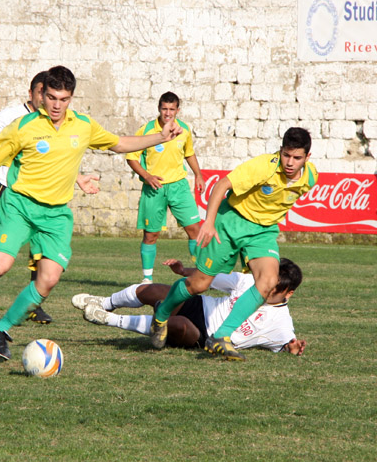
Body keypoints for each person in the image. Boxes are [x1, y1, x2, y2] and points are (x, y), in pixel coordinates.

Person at [0, 65, 183, 360]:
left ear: (71, 98)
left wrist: (161, 137)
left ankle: (0, 330)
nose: (56, 105)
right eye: (51, 97)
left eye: (63, 99)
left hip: (55, 216)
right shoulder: (23, 126)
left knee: (48, 280)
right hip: (20, 207)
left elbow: (120, 143)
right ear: (43, 95)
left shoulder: (83, 126)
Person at [150, 127, 317, 360]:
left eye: (297, 157)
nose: (289, 162)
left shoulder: (310, 177)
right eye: (286, 155)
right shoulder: (263, 166)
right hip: (231, 223)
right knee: (199, 284)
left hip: (263, 232)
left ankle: (221, 336)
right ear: (281, 151)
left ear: (307, 158)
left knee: (268, 281)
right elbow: (221, 186)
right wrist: (209, 222)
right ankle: (162, 314)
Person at [0, 71, 98, 326]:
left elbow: (55, 159)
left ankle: (32, 306)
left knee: (39, 255)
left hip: (39, 198)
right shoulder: (14, 117)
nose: (50, 100)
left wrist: (79, 178)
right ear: (33, 93)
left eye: (55, 96)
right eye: (44, 93)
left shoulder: (57, 123)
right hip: (6, 189)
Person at [72, 258, 306, 358]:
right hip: (199, 305)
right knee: (153, 291)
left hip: (203, 334)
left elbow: (287, 345)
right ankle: (104, 303)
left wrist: (292, 348)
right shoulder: (249, 281)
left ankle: (107, 319)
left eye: (273, 289)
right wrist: (184, 272)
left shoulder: (282, 322)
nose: (264, 289)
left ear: (289, 293)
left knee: (177, 325)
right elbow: (210, 277)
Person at [126, 92, 205, 284]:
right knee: (151, 234)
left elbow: (189, 153)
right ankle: (147, 279)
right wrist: (147, 176)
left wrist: (198, 175)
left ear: (178, 110)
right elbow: (131, 158)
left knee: (195, 230)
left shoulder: (184, 129)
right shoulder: (146, 130)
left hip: (179, 186)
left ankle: (200, 275)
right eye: (164, 108)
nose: (168, 113)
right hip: (154, 187)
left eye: (172, 109)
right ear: (159, 108)